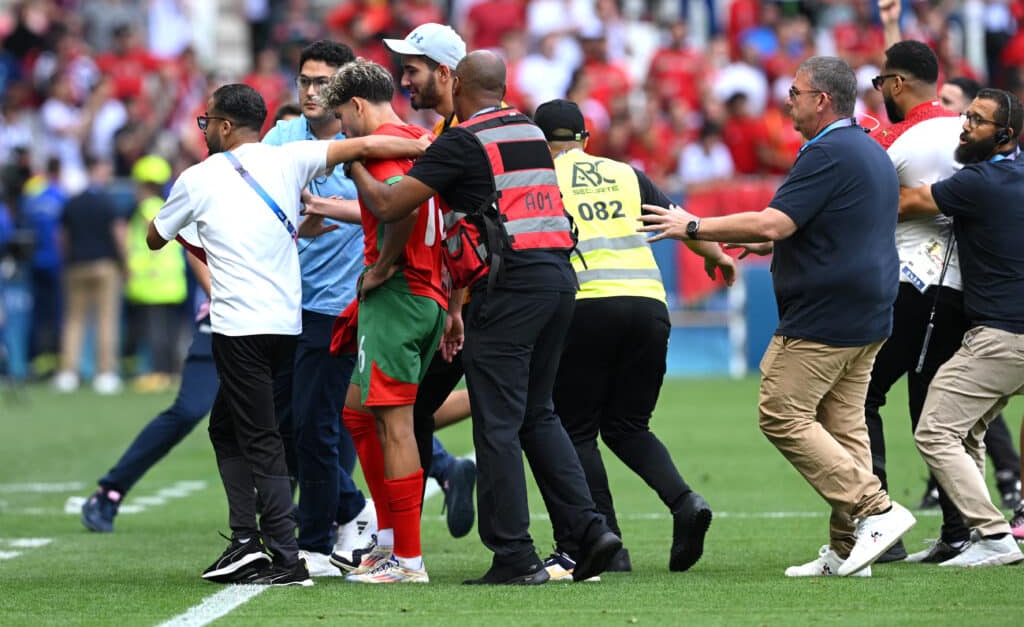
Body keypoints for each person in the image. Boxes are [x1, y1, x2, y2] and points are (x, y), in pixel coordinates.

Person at [344, 50, 622, 585]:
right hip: (560, 279)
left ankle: (514, 555)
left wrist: (351, 158)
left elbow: (389, 204)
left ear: (458, 83)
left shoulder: (463, 139)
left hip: (508, 287)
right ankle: (590, 531)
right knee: (538, 414)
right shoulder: (527, 130)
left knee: (498, 423)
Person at [639, 56, 916, 578]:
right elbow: (817, 230)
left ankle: (875, 510)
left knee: (780, 411)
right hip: (870, 310)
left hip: (826, 315)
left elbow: (774, 221)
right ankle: (846, 546)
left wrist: (693, 224)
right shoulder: (866, 150)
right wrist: (769, 244)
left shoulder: (828, 152)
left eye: (794, 91)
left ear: (823, 100)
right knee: (844, 426)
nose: (787, 99)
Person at [146, 83, 426, 586]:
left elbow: (154, 237)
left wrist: (188, 221)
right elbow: (365, 146)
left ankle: (285, 556)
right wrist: (425, 147)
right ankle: (245, 542)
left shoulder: (197, 177)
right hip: (287, 324)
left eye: (206, 121)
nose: (204, 128)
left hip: (239, 326)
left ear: (225, 126)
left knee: (259, 436)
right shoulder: (289, 158)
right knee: (227, 427)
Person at [534, 98, 734, 579]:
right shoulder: (625, 173)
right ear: (585, 140)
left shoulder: (542, 179)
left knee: (576, 430)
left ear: (541, 144)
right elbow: (676, 217)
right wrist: (718, 256)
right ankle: (685, 502)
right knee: (628, 426)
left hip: (585, 306)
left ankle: (606, 544)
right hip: (649, 306)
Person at [319, 59, 449, 583]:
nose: (343, 132)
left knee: (395, 426)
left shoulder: (382, 151)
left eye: (341, 118)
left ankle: (408, 561)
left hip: (400, 294)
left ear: (355, 105)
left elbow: (405, 210)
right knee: (357, 414)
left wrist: (383, 266)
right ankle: (392, 542)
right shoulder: (414, 135)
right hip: (427, 294)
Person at [261, 40, 376, 575]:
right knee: (286, 423)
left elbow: (388, 204)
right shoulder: (284, 137)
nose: (310, 91)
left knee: (316, 423)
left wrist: (329, 210)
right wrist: (296, 224)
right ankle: (350, 510)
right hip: (283, 302)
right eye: (304, 80)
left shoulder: (366, 143)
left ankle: (314, 541)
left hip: (336, 305)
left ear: (345, 88)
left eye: (322, 82)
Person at [859, 40, 972, 564]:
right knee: (933, 407)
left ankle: (882, 524)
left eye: (882, 83)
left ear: (897, 84)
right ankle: (958, 530)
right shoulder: (968, 129)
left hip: (917, 284)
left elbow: (862, 201)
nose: (880, 93)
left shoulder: (905, 137)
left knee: (862, 395)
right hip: (964, 287)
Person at [901, 87, 1024, 567]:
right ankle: (977, 536)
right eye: (965, 114)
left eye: (977, 120)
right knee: (967, 431)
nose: (964, 125)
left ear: (1005, 136)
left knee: (934, 430)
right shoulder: (1011, 176)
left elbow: (907, 203)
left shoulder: (980, 183)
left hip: (1001, 338)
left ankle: (994, 536)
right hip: (1010, 337)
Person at [383, 21, 479, 538]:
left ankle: (402, 544)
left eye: (413, 69)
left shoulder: (460, 138)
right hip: (466, 299)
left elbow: (463, 227)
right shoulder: (443, 136)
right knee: (415, 409)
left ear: (445, 74)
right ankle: (403, 540)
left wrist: (457, 309)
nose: (404, 81)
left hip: (478, 300)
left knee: (526, 416)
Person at [81, 250, 217, 532]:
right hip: (223, 318)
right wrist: (220, 296)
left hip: (284, 320)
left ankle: (318, 514)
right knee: (189, 409)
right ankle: (111, 490)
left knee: (288, 414)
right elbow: (191, 243)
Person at [54, 156, 125, 395]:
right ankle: (104, 373)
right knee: (106, 320)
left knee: (74, 321)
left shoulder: (72, 202)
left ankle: (68, 373)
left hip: (76, 265)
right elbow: (119, 235)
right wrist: (125, 264)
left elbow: (62, 237)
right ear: (96, 170)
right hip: (104, 266)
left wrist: (67, 259)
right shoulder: (108, 202)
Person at [124, 154, 186, 393]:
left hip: (152, 281)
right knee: (169, 331)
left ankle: (158, 373)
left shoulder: (147, 207)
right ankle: (169, 372)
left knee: (156, 331)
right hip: (171, 281)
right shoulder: (166, 206)